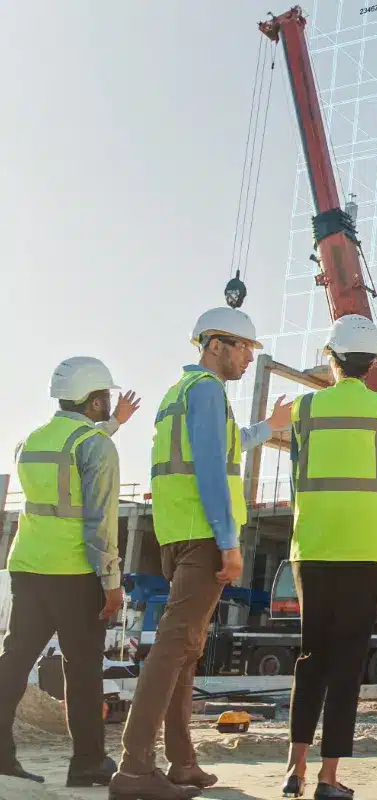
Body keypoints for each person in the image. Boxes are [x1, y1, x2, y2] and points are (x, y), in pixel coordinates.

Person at [110, 307, 293, 800]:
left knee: (185, 652)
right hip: (205, 536)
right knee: (173, 650)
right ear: (216, 346)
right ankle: (134, 771)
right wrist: (229, 543)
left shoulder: (181, 393)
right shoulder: (209, 392)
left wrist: (268, 426)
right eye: (244, 348)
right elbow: (213, 470)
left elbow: (224, 448)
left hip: (178, 534)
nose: (250, 358)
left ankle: (182, 762)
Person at [282, 314, 377, 800]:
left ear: (331, 359)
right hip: (365, 548)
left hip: (313, 546)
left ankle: (293, 769)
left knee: (310, 656)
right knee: (346, 663)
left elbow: (299, 461)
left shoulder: (305, 409)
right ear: (373, 363)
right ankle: (327, 778)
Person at [0, 357, 140, 786]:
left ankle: (2, 756)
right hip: (75, 574)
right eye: (108, 398)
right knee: (82, 671)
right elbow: (100, 523)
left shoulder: (31, 441)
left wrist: (112, 423)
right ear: (96, 399)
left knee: (14, 663)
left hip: (27, 568)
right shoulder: (97, 446)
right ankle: (87, 764)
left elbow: (70, 463)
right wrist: (112, 582)